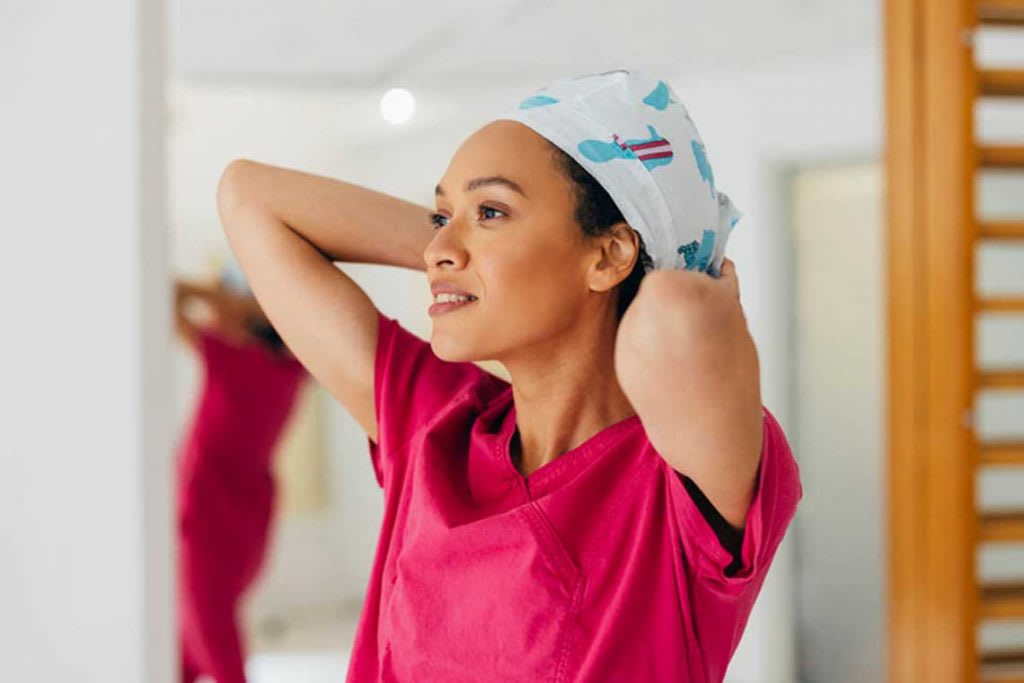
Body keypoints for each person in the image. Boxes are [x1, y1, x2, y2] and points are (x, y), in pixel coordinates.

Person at [215, 68, 803, 682]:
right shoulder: (435, 427)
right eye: (442, 215)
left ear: (608, 254)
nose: (436, 248)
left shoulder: (676, 485)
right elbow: (248, 195)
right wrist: (460, 251)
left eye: (492, 210)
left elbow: (676, 318)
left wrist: (678, 267)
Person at [173, 272, 307, 683]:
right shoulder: (291, 367)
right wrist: (237, 304)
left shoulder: (234, 356)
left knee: (208, 629)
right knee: (190, 633)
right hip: (244, 509)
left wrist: (218, 297)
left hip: (213, 506)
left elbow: (170, 296)